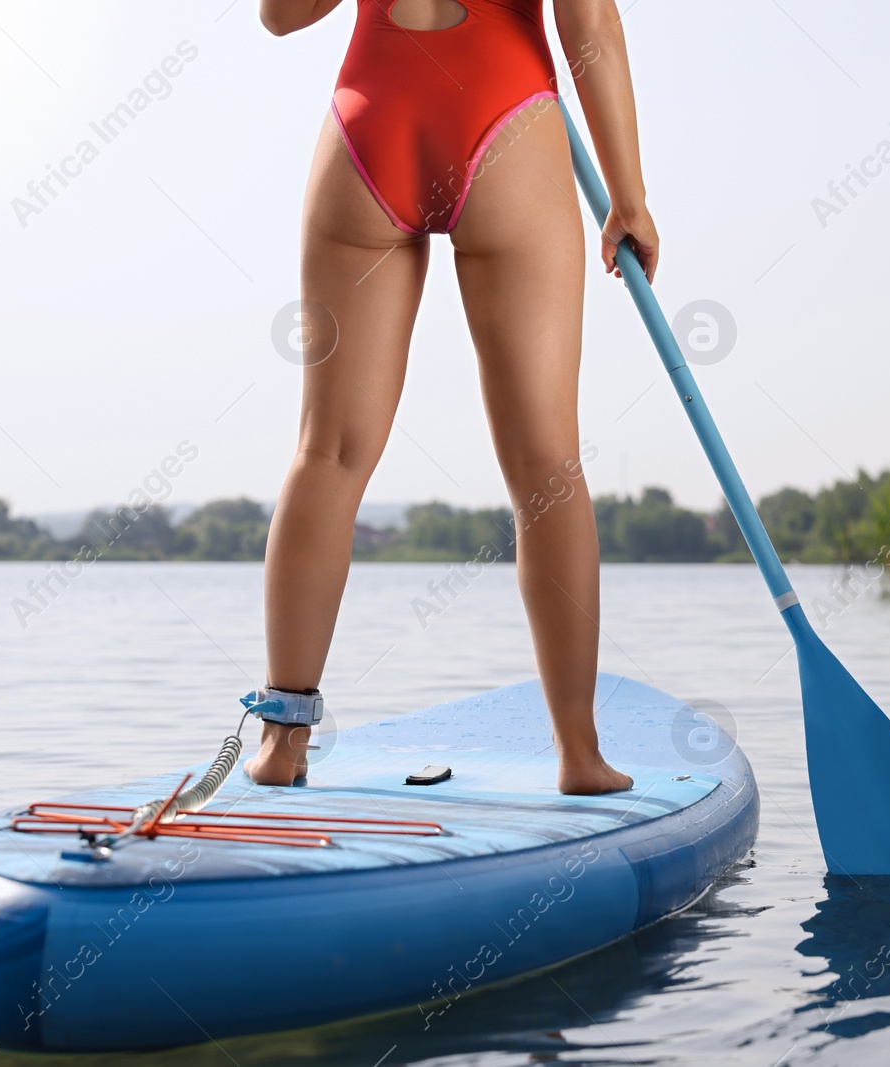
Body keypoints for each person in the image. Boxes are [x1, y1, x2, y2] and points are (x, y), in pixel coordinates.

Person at [247, 0, 658, 794]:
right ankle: (579, 753)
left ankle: (280, 742)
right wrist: (626, 195)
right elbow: (590, 28)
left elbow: (280, 17)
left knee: (327, 451)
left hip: (370, 126)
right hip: (503, 119)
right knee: (546, 464)